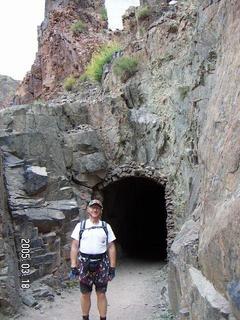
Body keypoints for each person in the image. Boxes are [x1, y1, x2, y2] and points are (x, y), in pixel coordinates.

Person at [70, 199, 117, 320]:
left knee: (101, 294)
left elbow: (111, 247)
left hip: (102, 263)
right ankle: (85, 318)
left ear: (101, 210)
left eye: (98, 207)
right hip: (84, 263)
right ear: (88, 210)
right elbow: (75, 246)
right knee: (85, 294)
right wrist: (73, 265)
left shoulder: (106, 227)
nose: (95, 209)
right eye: (92, 207)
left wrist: (112, 267)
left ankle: (103, 318)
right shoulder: (81, 226)